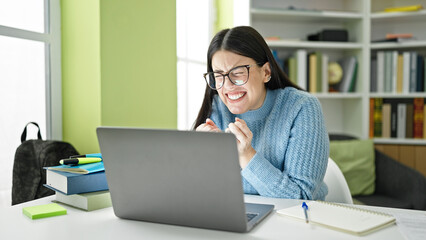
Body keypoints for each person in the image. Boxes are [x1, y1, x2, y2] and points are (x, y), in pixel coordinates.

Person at [194, 26, 329, 200]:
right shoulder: (216, 109)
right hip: (238, 216)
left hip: (300, 220)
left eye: (238, 73)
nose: (227, 86)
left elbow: (301, 197)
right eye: (219, 76)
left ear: (266, 72)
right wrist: (198, 158)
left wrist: (246, 154)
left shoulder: (302, 107)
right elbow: (202, 191)